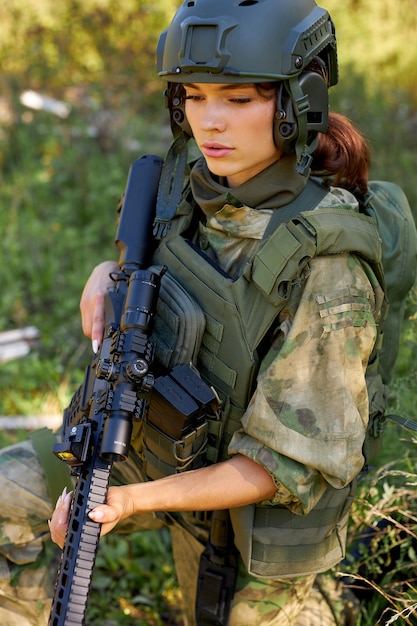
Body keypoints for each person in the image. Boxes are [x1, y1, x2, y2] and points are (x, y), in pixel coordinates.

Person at [2, 1, 386, 625]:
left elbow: (280, 467)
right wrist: (109, 272)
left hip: (251, 513)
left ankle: (320, 604)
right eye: (194, 95)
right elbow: (157, 259)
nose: (211, 122)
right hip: (155, 456)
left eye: (238, 100)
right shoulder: (194, 180)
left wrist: (126, 501)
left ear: (296, 104)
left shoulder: (328, 269)